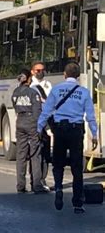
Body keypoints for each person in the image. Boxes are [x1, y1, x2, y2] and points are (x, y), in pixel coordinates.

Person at [37, 62, 98, 214]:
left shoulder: (57, 89)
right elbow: (90, 116)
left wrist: (39, 128)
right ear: (78, 76)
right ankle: (77, 203)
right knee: (77, 167)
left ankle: (58, 188)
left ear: (64, 74)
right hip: (76, 131)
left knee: (58, 163)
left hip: (60, 131)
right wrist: (95, 134)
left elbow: (46, 111)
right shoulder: (84, 92)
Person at [11, 69, 47, 194]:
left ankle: (20, 185)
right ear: (28, 78)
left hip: (20, 121)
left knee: (21, 155)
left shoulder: (15, 92)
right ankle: (36, 185)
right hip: (31, 122)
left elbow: (15, 107)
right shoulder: (33, 93)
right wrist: (39, 128)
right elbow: (37, 111)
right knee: (35, 154)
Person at [30, 61, 53, 192]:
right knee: (36, 153)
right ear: (32, 71)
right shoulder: (31, 86)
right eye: (38, 70)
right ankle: (35, 180)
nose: (41, 72)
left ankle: (43, 179)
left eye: (43, 70)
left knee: (45, 153)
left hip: (47, 120)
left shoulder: (48, 84)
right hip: (36, 122)